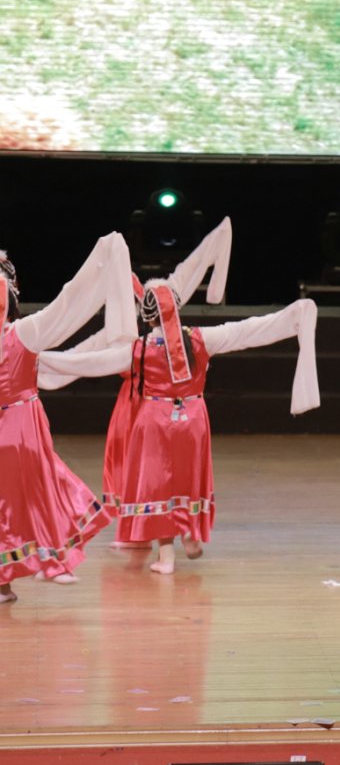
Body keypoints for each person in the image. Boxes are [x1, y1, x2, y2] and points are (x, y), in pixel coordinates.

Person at [38, 283, 319, 576]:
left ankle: (166, 555)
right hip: (193, 418)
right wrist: (293, 315)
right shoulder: (202, 338)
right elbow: (247, 330)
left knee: (158, 485)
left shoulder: (139, 348)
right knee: (188, 477)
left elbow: (89, 363)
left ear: (147, 316)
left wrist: (41, 359)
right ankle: (189, 532)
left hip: (155, 420)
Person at [39, 217, 232, 549]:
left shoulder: (154, 304)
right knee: (138, 467)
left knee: (148, 467)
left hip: (146, 401)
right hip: (137, 398)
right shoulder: (129, 313)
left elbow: (196, 262)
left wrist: (46, 365)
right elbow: (92, 352)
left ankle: (159, 530)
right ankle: (144, 530)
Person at [0, 234, 136, 602]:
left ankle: (25, 572)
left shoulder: (23, 333)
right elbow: (68, 303)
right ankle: (41, 563)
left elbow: (67, 304)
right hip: (19, 424)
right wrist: (102, 260)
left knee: (18, 498)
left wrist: (102, 259)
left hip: (19, 423)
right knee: (32, 494)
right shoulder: (23, 332)